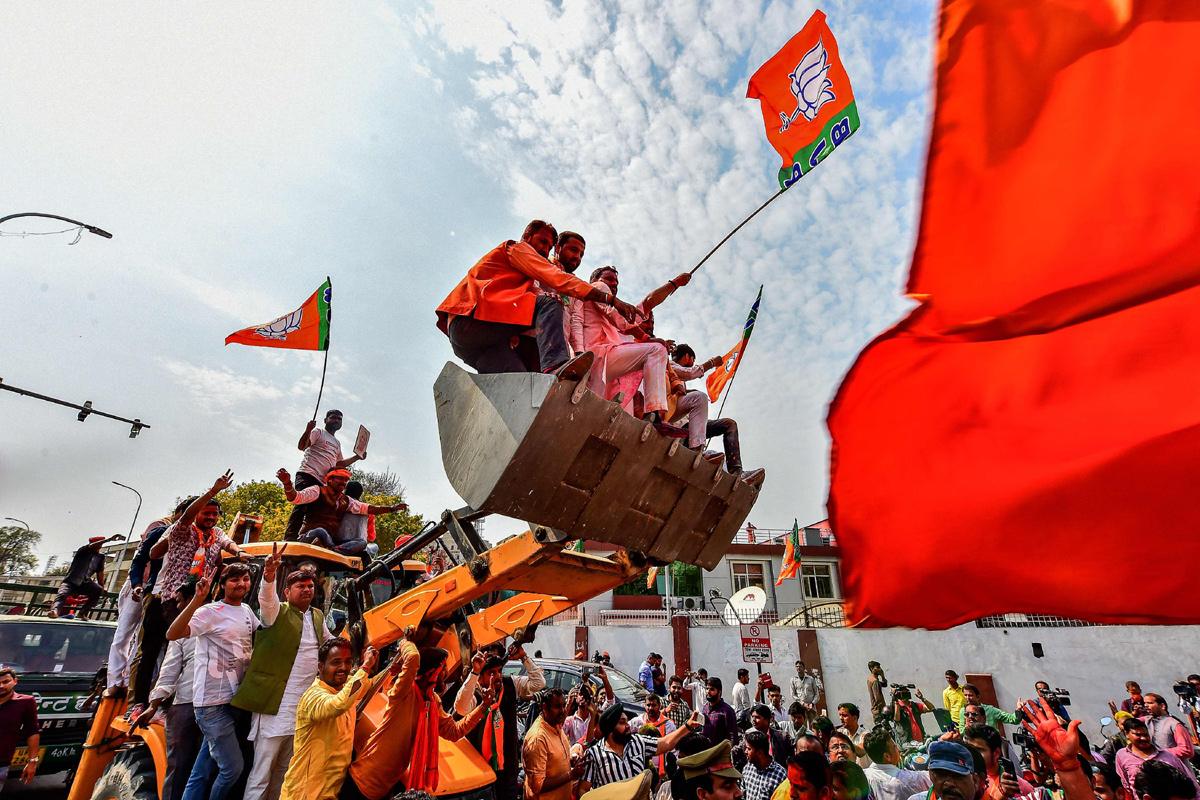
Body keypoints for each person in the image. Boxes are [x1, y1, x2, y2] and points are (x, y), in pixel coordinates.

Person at [437, 219, 639, 375]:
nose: (544, 249)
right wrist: (611, 300)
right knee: (551, 303)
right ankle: (555, 366)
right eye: (542, 242)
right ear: (527, 237)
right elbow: (557, 279)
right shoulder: (517, 249)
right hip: (470, 318)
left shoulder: (527, 274)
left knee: (521, 386)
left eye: (548, 247)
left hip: (472, 343)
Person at [135, 471, 248, 715]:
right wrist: (214, 491)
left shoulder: (216, 534)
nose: (211, 517)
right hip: (176, 601)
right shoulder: (182, 531)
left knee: (198, 651)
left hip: (203, 600)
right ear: (196, 513)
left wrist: (239, 553)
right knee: (175, 651)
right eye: (206, 512)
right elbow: (161, 544)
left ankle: (191, 701)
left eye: (215, 514)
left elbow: (228, 544)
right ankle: (156, 705)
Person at [233, 547, 332, 800]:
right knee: (261, 772)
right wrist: (269, 573)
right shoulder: (277, 611)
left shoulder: (318, 617)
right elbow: (266, 599)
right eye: (300, 586)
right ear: (287, 592)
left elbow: (332, 645)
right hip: (274, 707)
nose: (307, 589)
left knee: (286, 771)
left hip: (303, 711)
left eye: (310, 585)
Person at [344, 643, 491, 800]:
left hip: (383, 790)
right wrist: (406, 642)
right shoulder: (404, 692)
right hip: (360, 783)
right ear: (431, 673)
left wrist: (483, 707)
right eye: (444, 668)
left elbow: (454, 732)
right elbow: (413, 658)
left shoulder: (432, 702)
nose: (447, 673)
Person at [167, 562, 260, 800]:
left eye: (246, 579)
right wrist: (197, 599)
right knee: (232, 769)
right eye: (234, 579)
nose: (241, 584)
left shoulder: (247, 611)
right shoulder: (209, 611)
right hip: (212, 704)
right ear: (223, 584)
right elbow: (173, 634)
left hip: (236, 700)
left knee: (202, 770)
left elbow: (265, 634)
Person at [278, 639, 377, 800]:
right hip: (304, 794)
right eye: (336, 662)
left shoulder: (345, 689)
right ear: (320, 667)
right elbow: (338, 705)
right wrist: (365, 667)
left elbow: (368, 685)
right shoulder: (313, 697)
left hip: (331, 792)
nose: (343, 668)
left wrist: (392, 670)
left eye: (347, 662)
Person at [132, 578, 201, 800]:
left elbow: (169, 670)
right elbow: (170, 670)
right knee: (185, 767)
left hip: (196, 704)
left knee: (183, 767)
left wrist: (153, 705)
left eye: (180, 602)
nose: (177, 607)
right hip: (199, 704)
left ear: (191, 600)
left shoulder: (190, 626)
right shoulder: (186, 629)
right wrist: (154, 704)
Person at [456, 644, 548, 800]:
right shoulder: (474, 693)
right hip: (480, 772)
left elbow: (539, 683)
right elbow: (461, 708)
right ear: (481, 676)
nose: (497, 676)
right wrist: (474, 672)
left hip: (507, 770)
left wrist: (523, 657)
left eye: (499, 671)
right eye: (491, 673)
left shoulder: (510, 684)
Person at [667, 345, 762, 485]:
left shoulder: (678, 383)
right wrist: (712, 362)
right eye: (692, 360)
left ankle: (737, 473)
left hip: (688, 428)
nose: (692, 363)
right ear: (688, 357)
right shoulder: (669, 366)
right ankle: (696, 450)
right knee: (700, 398)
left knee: (729, 424)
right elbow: (690, 372)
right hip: (676, 428)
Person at [280, 467, 406, 556]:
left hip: (331, 542)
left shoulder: (346, 501)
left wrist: (392, 508)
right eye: (340, 478)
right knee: (320, 531)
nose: (343, 482)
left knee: (361, 542)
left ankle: (333, 551)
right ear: (329, 479)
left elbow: (368, 508)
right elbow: (295, 497)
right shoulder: (317, 491)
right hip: (310, 536)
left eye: (345, 480)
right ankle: (329, 549)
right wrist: (287, 484)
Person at [579, 703, 703, 792]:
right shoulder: (594, 754)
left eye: (627, 721)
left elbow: (666, 743)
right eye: (622, 723)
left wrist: (687, 726)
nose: (628, 726)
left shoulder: (638, 741)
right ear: (610, 729)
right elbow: (583, 790)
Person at [285, 409, 364, 540]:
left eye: (339, 419)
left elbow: (339, 464)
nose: (337, 421)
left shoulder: (337, 443)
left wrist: (357, 457)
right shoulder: (318, 432)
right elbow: (302, 446)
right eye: (333, 418)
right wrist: (307, 431)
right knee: (301, 505)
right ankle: (289, 538)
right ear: (325, 420)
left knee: (316, 511)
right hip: (308, 474)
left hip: (322, 481)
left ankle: (305, 537)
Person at [1115, 717, 1200, 798]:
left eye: (1146, 735)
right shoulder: (1122, 756)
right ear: (1126, 734)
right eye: (1138, 735)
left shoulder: (1168, 756)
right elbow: (1126, 786)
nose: (1144, 738)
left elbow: (1190, 782)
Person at [525, 687, 583, 800]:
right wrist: (571, 775)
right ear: (544, 708)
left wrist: (569, 760)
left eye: (563, 705)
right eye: (557, 707)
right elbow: (537, 786)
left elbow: (552, 761)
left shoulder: (556, 726)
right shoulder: (538, 738)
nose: (562, 710)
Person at [962, 724, 1037, 798]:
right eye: (971, 750)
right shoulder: (967, 783)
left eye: (979, 750)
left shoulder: (1018, 786)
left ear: (996, 753)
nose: (973, 754)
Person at [49, 535, 112, 619]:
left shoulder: (100, 557)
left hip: (86, 582)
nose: (99, 547)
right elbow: (90, 546)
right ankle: (55, 611)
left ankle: (82, 613)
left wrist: (102, 586)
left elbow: (100, 572)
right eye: (97, 545)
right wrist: (109, 540)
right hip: (71, 580)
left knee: (98, 590)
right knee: (62, 594)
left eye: (100, 545)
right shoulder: (83, 551)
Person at [862, 728, 932, 800]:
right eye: (895, 747)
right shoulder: (907, 779)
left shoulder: (865, 776)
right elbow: (934, 778)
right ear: (887, 756)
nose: (897, 750)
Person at [0, 668, 39, 791]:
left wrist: (32, 761)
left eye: (5, 682)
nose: (1, 686)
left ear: (15, 681)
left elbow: (32, 732)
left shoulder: (25, 702)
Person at [631, 695, 677, 777]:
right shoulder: (639, 721)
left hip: (662, 771)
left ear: (659, 706)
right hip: (643, 770)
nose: (650, 708)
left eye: (653, 705)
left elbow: (674, 750)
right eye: (648, 705)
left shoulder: (668, 724)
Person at [1142, 694, 1195, 761]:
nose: (1146, 706)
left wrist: (1159, 753)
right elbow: (1127, 722)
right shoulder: (1147, 720)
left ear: (1162, 706)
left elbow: (1187, 750)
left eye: (1150, 703)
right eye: (1145, 703)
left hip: (1175, 767)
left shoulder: (1174, 724)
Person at [743, 730, 789, 800]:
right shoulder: (747, 769)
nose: (745, 752)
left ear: (760, 753)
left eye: (749, 749)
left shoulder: (781, 775)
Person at [702, 677, 739, 748]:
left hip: (720, 753)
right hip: (706, 752)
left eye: (712, 689)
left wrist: (730, 754)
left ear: (719, 692)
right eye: (707, 689)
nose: (708, 692)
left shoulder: (727, 710)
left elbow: (733, 736)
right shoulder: (705, 707)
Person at [836, 703, 870, 767]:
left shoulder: (865, 734)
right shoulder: (842, 732)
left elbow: (861, 752)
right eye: (840, 715)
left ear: (854, 718)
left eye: (844, 715)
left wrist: (844, 739)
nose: (841, 718)